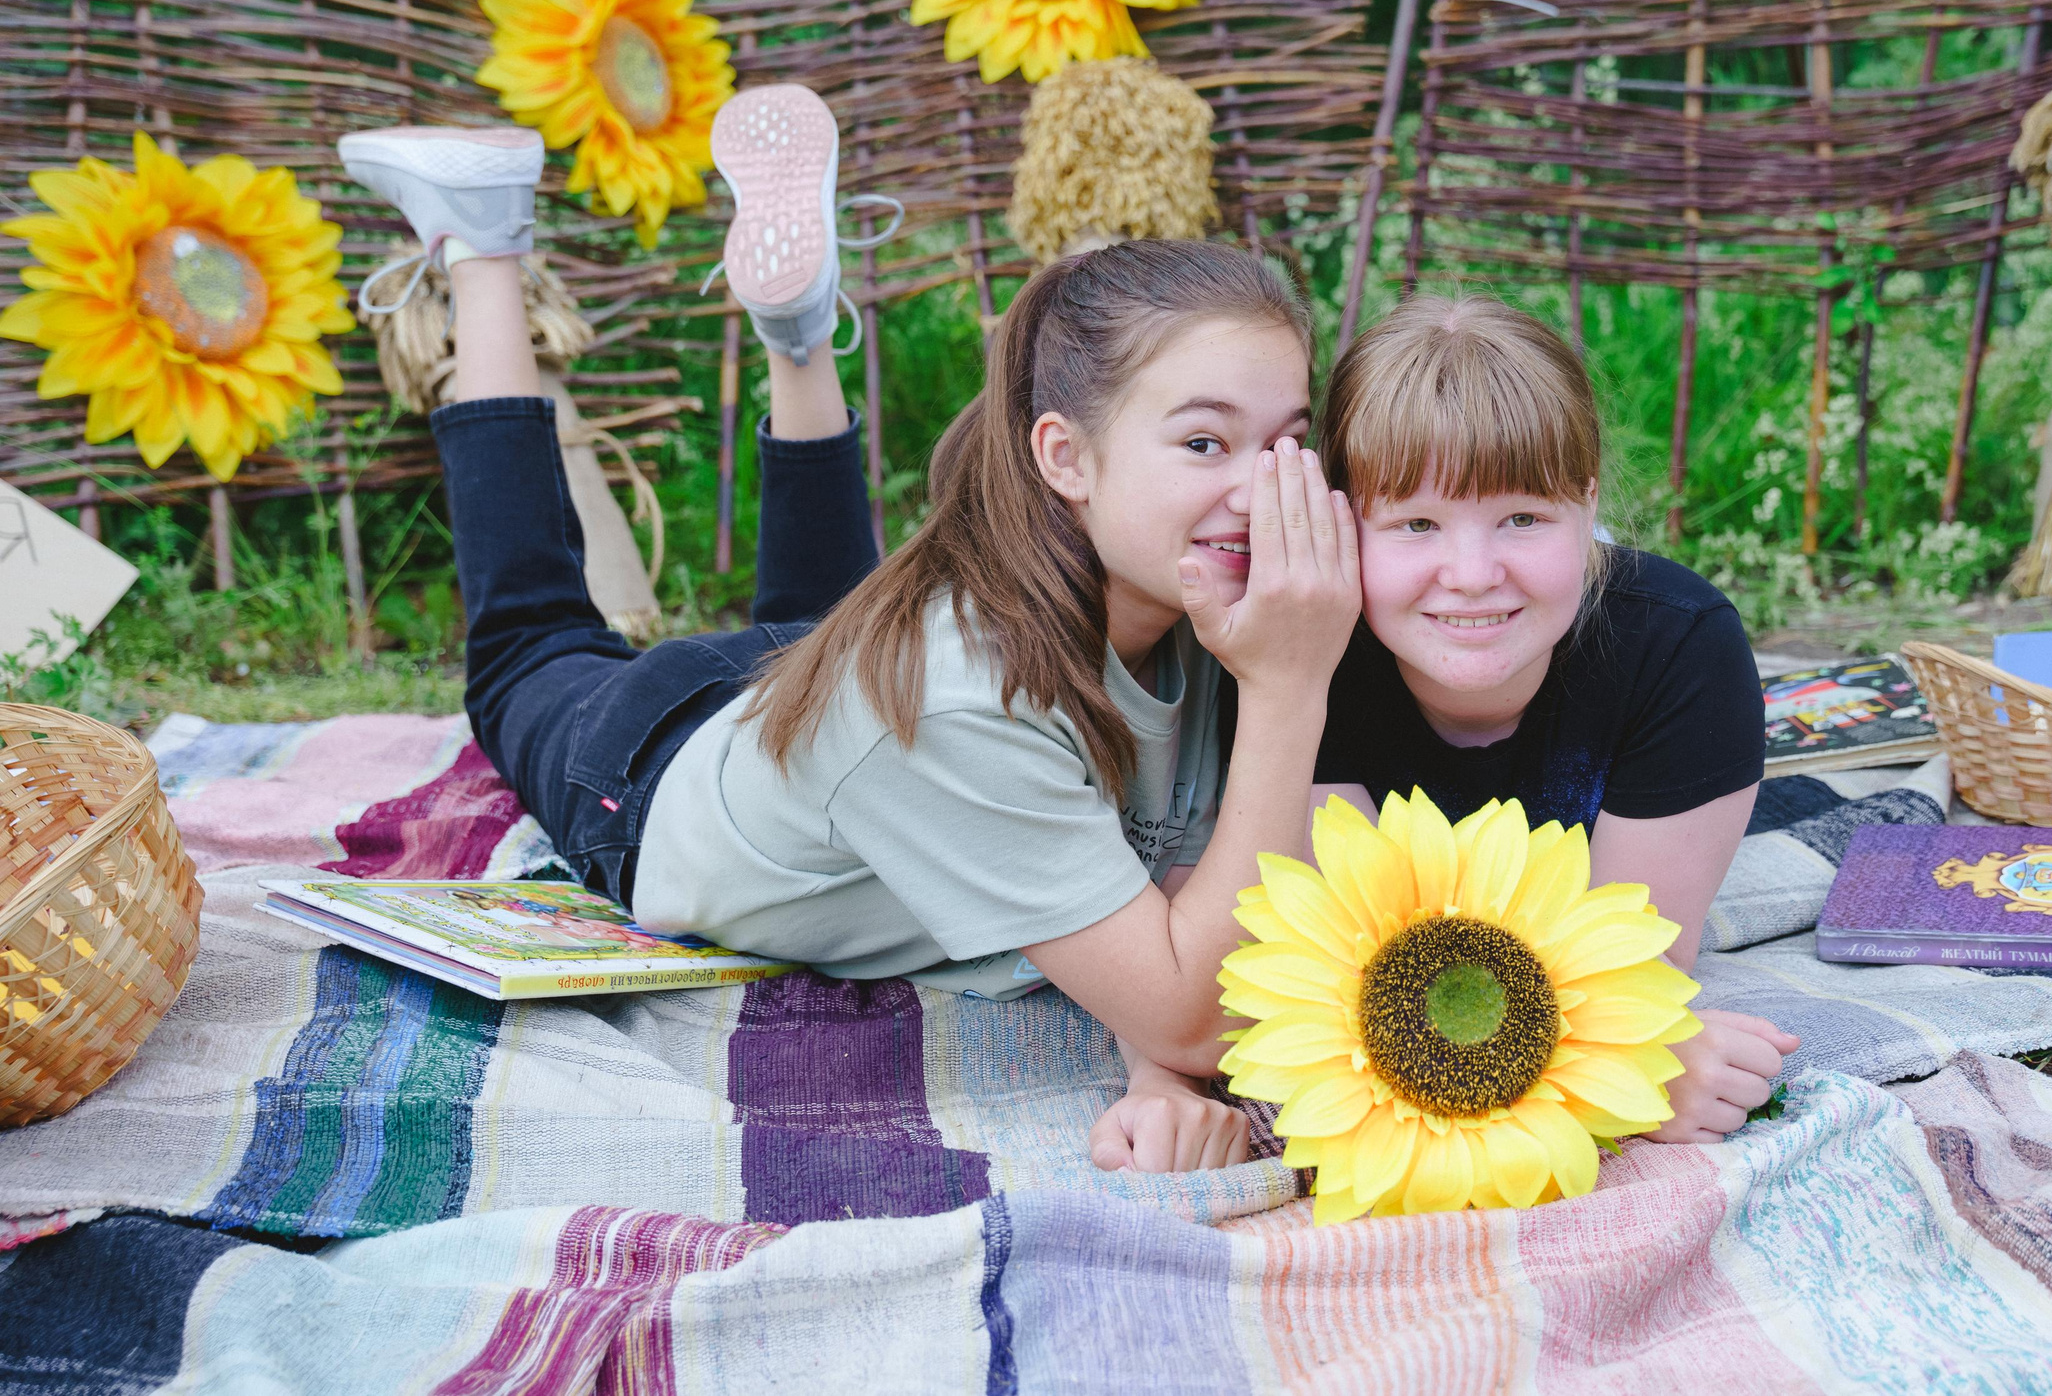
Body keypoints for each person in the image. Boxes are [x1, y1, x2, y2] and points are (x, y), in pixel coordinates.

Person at [342, 86, 1361, 1177]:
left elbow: (1177, 894)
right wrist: (1288, 688)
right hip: (650, 767)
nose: (1264, 491)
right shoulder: (964, 698)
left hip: (830, 703)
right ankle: (486, 250)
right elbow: (1192, 1007)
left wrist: (1157, 1075)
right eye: (1205, 444)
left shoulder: (1196, 592)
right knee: (529, 644)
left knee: (829, 618)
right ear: (1063, 457)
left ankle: (799, 334)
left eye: (1287, 443)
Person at [1308, 292, 1798, 1142]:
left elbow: (1623, 982)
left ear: (1588, 506)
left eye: (1522, 518)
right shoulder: (1304, 661)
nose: (1471, 573)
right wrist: (1628, 1069)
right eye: (1416, 522)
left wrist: (1633, 1049)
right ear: (1344, 521)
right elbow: (1340, 971)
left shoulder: (1681, 648)